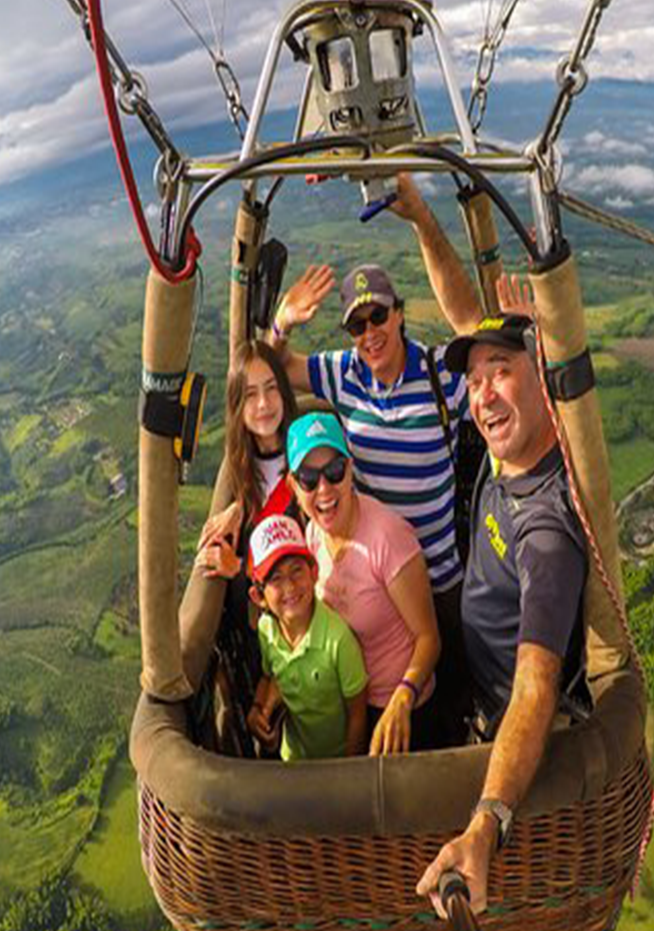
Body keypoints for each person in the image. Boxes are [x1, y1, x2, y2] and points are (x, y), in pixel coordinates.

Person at [267, 175, 485, 742]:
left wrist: (423, 222)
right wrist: (282, 323)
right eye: (357, 324)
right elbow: (267, 373)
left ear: (400, 315)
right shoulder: (342, 374)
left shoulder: (441, 374)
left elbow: (475, 329)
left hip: (437, 582)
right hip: (364, 583)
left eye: (379, 317)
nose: (369, 333)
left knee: (453, 701)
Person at [416, 313, 588, 916]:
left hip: (508, 734)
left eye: (501, 372)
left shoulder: (545, 527)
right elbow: (471, 318)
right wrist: (419, 219)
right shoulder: (506, 461)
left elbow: (537, 687)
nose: (482, 392)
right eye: (473, 378)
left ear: (542, 380)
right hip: (478, 703)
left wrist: (487, 822)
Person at [285, 412, 444, 754]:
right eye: (309, 479)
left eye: (334, 472)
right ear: (293, 487)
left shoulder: (387, 538)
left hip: (403, 709)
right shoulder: (313, 534)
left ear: (350, 469)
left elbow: (429, 638)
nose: (324, 488)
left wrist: (403, 697)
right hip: (350, 702)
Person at [192, 340, 300, 755]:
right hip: (261, 651)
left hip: (299, 648)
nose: (264, 404)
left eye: (272, 388)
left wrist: (238, 569)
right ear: (237, 406)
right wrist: (238, 505)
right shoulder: (243, 470)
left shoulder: (308, 465)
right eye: (250, 394)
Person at [245, 513, 369, 761]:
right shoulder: (267, 631)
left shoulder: (338, 640)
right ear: (259, 596)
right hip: (293, 759)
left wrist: (349, 770)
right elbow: (269, 675)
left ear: (314, 573)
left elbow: (358, 714)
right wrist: (258, 709)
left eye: (296, 571)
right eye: (276, 579)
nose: (290, 587)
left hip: (337, 761)